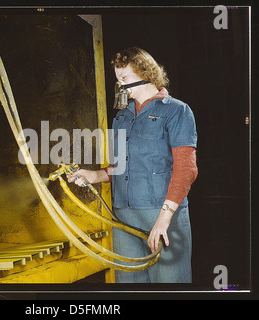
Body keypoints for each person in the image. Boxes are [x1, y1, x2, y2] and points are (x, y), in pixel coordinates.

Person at [67, 47, 198, 283]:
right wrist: (93, 176)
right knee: (129, 287)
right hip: (124, 217)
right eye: (117, 79)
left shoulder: (176, 111)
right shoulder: (122, 117)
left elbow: (186, 170)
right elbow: (121, 166)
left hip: (160, 216)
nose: (119, 85)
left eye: (124, 79)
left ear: (146, 74)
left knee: (170, 285)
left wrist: (164, 220)